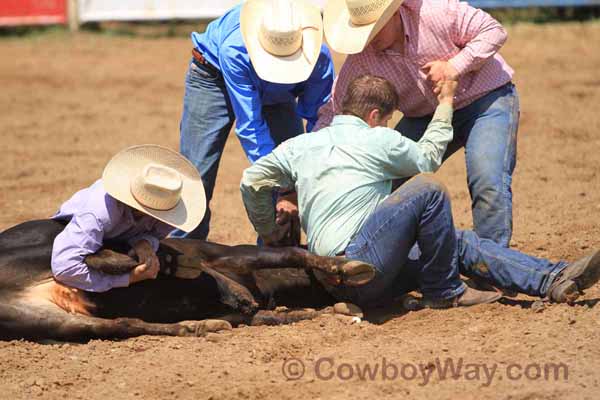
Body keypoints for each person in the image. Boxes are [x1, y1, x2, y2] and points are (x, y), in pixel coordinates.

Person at [240, 74, 600, 308]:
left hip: (332, 273)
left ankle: (554, 279)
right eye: (388, 119)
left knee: (453, 242)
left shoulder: (302, 145)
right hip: (359, 267)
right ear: (375, 115)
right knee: (427, 189)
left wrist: (268, 230)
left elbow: (251, 180)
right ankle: (445, 292)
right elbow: (427, 159)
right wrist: (445, 106)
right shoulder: (377, 138)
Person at [317, 0, 519, 248]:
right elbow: (335, 110)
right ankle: (391, 255)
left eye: (375, 27)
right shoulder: (362, 57)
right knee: (383, 181)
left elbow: (493, 31)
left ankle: (494, 265)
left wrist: (454, 66)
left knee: (487, 179)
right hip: (424, 115)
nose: (370, 38)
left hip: (486, 98)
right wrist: (314, 153)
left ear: (394, 13)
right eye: (364, 31)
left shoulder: (437, 12)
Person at [171, 0, 335, 240]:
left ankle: (279, 263)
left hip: (277, 93)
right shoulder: (234, 50)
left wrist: (300, 181)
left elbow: (320, 125)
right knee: (196, 176)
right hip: (212, 74)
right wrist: (286, 185)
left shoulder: (318, 58)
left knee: (292, 174)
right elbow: (251, 127)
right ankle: (180, 256)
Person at [51, 145, 205, 292]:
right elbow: (64, 267)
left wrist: (144, 242)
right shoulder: (98, 213)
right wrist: (129, 278)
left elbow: (154, 235)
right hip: (75, 233)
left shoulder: (167, 204)